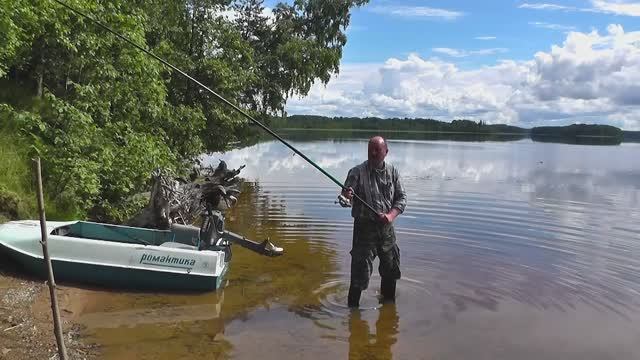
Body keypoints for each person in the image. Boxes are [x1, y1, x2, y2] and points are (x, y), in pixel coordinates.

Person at [340, 136, 407, 307]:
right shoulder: (356, 172)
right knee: (358, 278)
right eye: (370, 149)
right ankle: (353, 316)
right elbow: (344, 199)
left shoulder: (393, 172)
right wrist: (346, 196)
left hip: (387, 231)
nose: (373, 153)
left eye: (377, 150)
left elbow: (401, 199)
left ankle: (388, 309)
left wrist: (390, 216)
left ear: (386, 152)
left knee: (391, 273)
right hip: (364, 232)